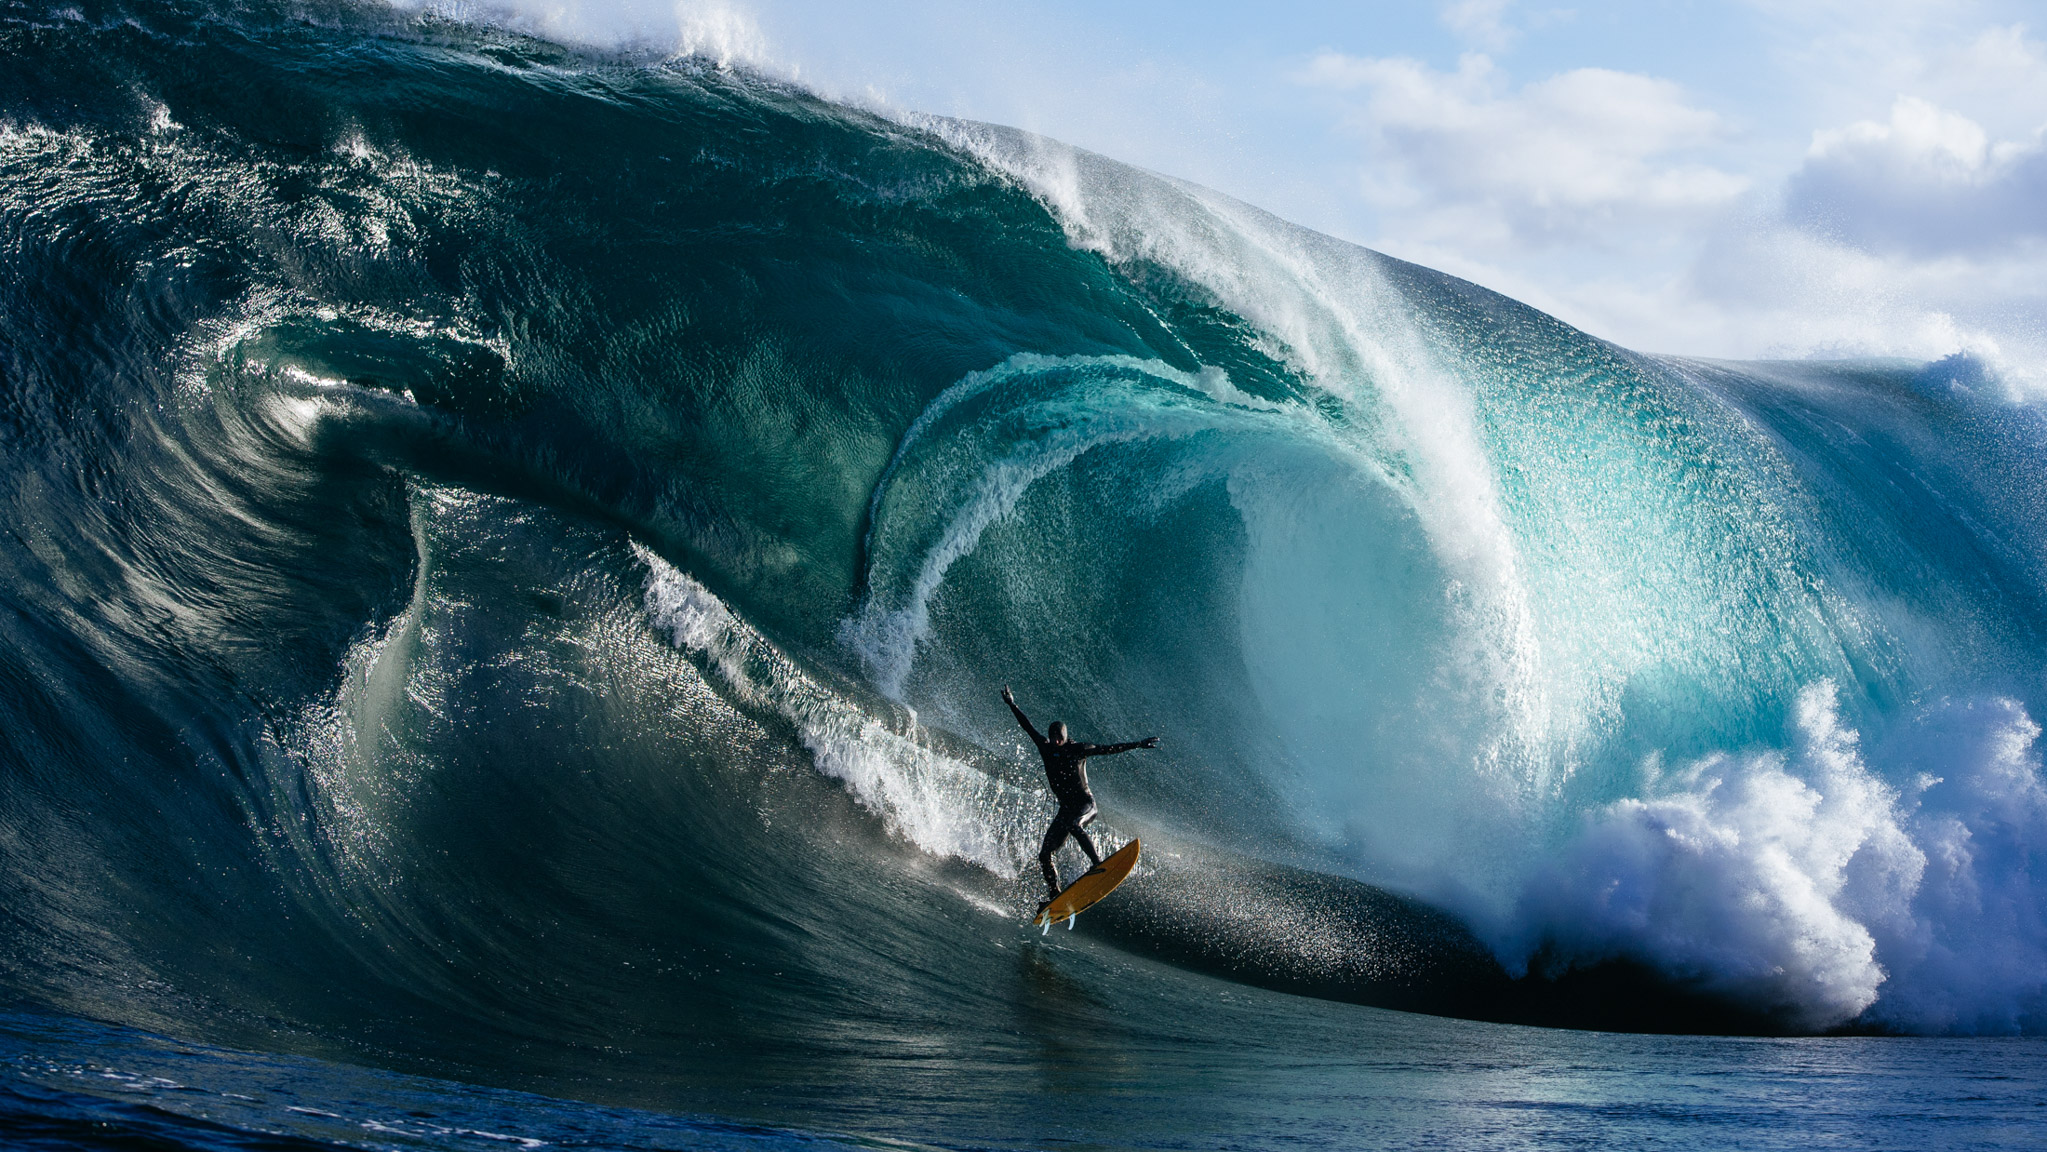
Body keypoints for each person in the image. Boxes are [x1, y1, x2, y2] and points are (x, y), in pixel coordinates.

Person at [1001, 686, 1158, 908]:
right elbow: (1027, 726)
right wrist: (1011, 704)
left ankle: (1097, 865)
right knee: (1045, 854)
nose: (1055, 741)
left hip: (1085, 804)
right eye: (1052, 737)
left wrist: (1138, 744)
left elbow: (1107, 749)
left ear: (1065, 738)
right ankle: (1054, 893)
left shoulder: (1077, 749)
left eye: (1059, 738)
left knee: (1076, 825)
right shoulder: (1045, 748)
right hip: (1065, 808)